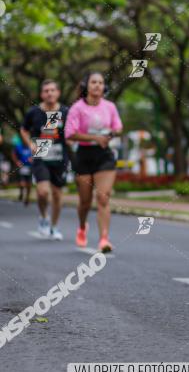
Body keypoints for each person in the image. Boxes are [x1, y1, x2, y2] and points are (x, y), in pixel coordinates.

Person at [64, 72, 122, 253]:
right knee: (85, 202)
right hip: (84, 155)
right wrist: (95, 138)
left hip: (104, 155)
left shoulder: (110, 106)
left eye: (100, 82)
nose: (97, 85)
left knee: (103, 197)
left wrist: (109, 135)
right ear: (86, 86)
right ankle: (82, 226)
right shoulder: (77, 108)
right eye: (93, 82)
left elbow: (118, 127)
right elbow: (69, 134)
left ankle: (104, 239)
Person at [20, 79, 69, 239]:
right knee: (42, 192)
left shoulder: (65, 112)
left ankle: (54, 227)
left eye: (52, 90)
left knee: (57, 194)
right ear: (42, 94)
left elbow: (72, 131)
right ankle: (43, 218)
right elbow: (24, 130)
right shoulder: (33, 112)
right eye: (46, 90)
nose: (49, 93)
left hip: (59, 156)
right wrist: (30, 145)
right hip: (40, 155)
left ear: (58, 93)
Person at [11, 135, 32, 207]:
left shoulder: (31, 146)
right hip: (21, 167)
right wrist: (17, 162)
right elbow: (13, 154)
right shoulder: (18, 146)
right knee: (22, 183)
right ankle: (21, 192)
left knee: (29, 184)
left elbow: (36, 153)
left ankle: (27, 198)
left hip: (30, 167)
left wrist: (32, 159)